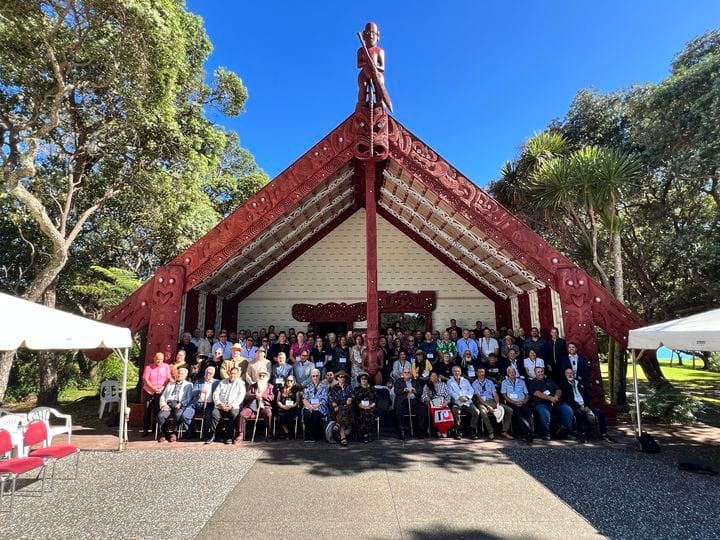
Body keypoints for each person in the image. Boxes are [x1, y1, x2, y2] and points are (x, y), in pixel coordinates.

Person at [560, 368, 613, 442]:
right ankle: (582, 434)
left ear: (574, 374)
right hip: (575, 405)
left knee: (599, 413)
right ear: (565, 374)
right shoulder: (563, 384)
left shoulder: (579, 382)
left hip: (586, 404)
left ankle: (603, 434)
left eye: (571, 373)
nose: (570, 374)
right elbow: (567, 399)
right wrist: (579, 407)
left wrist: (586, 405)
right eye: (568, 373)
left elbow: (587, 395)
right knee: (578, 413)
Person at [527, 366, 573, 441]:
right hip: (542, 403)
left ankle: (566, 433)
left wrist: (556, 396)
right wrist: (550, 398)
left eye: (541, 371)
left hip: (556, 401)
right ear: (535, 373)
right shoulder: (533, 382)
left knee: (568, 410)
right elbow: (536, 393)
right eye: (538, 372)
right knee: (544, 412)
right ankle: (547, 434)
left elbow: (558, 389)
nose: (540, 373)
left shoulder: (549, 380)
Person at [206, 367, 245, 444]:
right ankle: (213, 435)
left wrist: (231, 405)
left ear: (237, 375)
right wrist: (220, 404)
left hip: (233, 406)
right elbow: (215, 394)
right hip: (221, 406)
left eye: (234, 374)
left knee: (233, 414)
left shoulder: (240, 383)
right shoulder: (222, 382)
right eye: (231, 373)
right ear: (229, 373)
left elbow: (240, 396)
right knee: (214, 413)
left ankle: (229, 436)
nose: (232, 375)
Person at [472, 367, 513, 440]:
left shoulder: (489, 382)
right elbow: (479, 398)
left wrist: (497, 404)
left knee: (509, 410)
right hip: (482, 403)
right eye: (480, 372)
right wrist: (488, 406)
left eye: (483, 372)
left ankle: (504, 431)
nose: (482, 373)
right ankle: (491, 432)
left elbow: (495, 394)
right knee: (483, 412)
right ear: (477, 373)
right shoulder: (474, 383)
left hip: (492, 401)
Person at [156, 367, 193, 442]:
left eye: (182, 374)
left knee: (178, 414)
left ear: (185, 375)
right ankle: (164, 433)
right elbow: (163, 395)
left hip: (179, 404)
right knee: (160, 416)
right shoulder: (170, 384)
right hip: (168, 404)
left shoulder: (189, 385)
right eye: (178, 373)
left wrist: (181, 404)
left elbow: (189, 398)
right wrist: (163, 404)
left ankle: (174, 433)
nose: (179, 375)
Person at [237, 368, 274, 442]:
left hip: (264, 406)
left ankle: (269, 434)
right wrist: (255, 396)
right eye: (260, 375)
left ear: (266, 377)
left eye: (263, 376)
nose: (262, 377)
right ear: (257, 377)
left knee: (268, 413)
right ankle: (240, 434)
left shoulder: (270, 386)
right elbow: (247, 396)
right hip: (252, 407)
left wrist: (262, 396)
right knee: (242, 414)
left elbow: (271, 397)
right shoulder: (252, 386)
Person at [141, 352, 172, 436]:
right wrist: (154, 389)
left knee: (157, 410)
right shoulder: (148, 367)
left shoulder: (166, 366)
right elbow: (145, 380)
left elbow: (168, 378)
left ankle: (155, 429)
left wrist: (162, 388)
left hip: (161, 391)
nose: (159, 361)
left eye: (161, 359)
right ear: (154, 359)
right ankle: (145, 429)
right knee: (147, 410)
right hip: (149, 391)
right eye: (158, 359)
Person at [500, 366, 534, 442]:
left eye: (513, 372)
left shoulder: (521, 381)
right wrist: (514, 402)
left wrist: (524, 401)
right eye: (510, 372)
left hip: (523, 402)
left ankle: (531, 431)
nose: (512, 373)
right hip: (512, 403)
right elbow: (504, 396)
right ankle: (528, 432)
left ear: (516, 373)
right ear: (508, 373)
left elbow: (527, 394)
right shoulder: (504, 382)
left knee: (528, 413)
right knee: (519, 414)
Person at [393, 367, 427, 439]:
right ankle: (401, 431)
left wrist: (414, 390)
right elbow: (396, 391)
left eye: (408, 372)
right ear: (403, 374)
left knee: (422, 410)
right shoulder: (398, 381)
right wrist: (404, 389)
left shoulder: (415, 381)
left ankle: (419, 430)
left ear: (411, 374)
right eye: (405, 372)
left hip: (414, 400)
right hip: (403, 401)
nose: (407, 374)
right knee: (399, 410)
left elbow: (420, 391)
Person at [447, 365, 480, 440]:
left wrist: (467, 397)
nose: (456, 372)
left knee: (476, 412)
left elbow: (471, 390)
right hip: (457, 402)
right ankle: (458, 430)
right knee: (455, 411)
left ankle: (472, 429)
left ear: (460, 372)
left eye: (458, 371)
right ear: (452, 372)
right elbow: (450, 392)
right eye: (455, 371)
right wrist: (459, 397)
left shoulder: (465, 380)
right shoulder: (449, 382)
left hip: (467, 401)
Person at [422, 371, 453, 438]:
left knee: (445, 412)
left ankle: (444, 430)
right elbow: (423, 395)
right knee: (436, 411)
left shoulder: (443, 384)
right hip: (432, 402)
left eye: (435, 376)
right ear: (430, 377)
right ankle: (440, 430)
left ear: (438, 377)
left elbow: (448, 395)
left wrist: (446, 402)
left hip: (442, 401)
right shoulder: (427, 385)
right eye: (432, 376)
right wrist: (426, 398)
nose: (434, 377)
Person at [190, 366, 218, 438]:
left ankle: (205, 433)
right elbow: (192, 393)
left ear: (213, 374)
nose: (208, 374)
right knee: (186, 414)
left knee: (208, 415)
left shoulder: (217, 382)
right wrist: (199, 390)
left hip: (209, 404)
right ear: (204, 373)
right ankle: (190, 432)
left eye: (210, 373)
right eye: (207, 372)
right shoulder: (199, 381)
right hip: (197, 403)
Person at [328, 370, 354, 446]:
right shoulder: (334, 388)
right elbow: (330, 398)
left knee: (344, 410)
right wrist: (335, 405)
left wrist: (350, 398)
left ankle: (339, 426)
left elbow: (353, 395)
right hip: (338, 409)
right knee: (341, 412)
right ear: (337, 378)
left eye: (344, 377)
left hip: (347, 408)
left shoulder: (348, 386)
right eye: (341, 377)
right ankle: (343, 438)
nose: (342, 378)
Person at [302, 369, 329, 442]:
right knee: (306, 412)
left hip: (320, 407)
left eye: (317, 376)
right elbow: (304, 399)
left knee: (316, 413)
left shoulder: (324, 386)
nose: (315, 377)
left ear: (319, 376)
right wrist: (310, 406)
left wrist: (316, 406)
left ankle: (312, 435)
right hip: (309, 406)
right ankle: (307, 436)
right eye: (313, 376)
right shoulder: (308, 386)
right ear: (311, 377)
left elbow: (325, 399)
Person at [353, 373, 378, 443]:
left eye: (365, 379)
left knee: (369, 413)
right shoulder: (356, 389)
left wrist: (370, 406)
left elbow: (376, 400)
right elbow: (356, 401)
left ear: (368, 380)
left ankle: (369, 433)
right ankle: (365, 434)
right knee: (363, 413)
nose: (363, 380)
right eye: (362, 379)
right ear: (360, 380)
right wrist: (363, 407)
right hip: (360, 408)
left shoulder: (372, 389)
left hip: (371, 407)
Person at [276, 375, 302, 439]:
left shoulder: (296, 389)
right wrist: (282, 406)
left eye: (291, 380)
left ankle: (289, 433)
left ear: (293, 381)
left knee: (289, 415)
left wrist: (290, 406)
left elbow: (297, 402)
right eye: (288, 380)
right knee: (280, 416)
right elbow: (278, 400)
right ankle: (287, 432)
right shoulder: (281, 389)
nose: (289, 382)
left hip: (292, 408)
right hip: (283, 408)